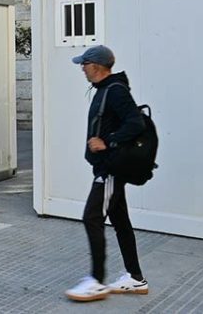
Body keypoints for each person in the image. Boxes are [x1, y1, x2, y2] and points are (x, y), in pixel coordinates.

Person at [65, 45, 149, 302]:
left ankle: (97, 281)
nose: (82, 68)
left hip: (110, 169)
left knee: (92, 217)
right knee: (121, 222)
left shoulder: (115, 91)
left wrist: (108, 142)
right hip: (107, 167)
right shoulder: (105, 90)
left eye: (85, 63)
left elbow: (136, 122)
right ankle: (135, 278)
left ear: (97, 66)